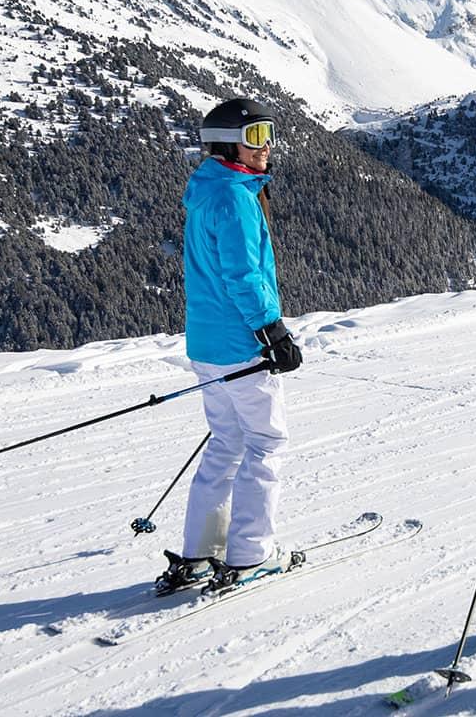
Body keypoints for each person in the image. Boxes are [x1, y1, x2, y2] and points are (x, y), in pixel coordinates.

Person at [155, 98, 306, 595]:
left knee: (226, 443)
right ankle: (250, 553)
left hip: (206, 343)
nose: (267, 148)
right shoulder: (235, 199)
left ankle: (200, 552)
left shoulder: (207, 191)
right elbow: (243, 275)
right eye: (256, 137)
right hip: (241, 343)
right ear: (226, 143)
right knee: (266, 443)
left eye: (269, 135)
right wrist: (272, 330)